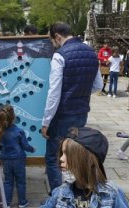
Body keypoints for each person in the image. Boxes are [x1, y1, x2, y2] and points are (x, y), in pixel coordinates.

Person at [41, 21, 103, 193]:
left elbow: (54, 93)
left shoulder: (60, 56)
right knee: (75, 155)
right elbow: (98, 85)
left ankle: (58, 198)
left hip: (62, 116)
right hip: (82, 112)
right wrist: (79, 93)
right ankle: (76, 193)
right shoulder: (91, 52)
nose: (52, 44)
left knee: (54, 158)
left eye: (51, 40)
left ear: (57, 36)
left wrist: (46, 122)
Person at [0, 105, 35, 208]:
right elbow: (25, 146)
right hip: (18, 159)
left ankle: (7, 203)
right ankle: (22, 202)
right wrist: (32, 149)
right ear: (13, 117)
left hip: (6, 159)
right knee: (21, 181)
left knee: (8, 181)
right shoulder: (19, 131)